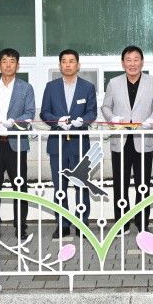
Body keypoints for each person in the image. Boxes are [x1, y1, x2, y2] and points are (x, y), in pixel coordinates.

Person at [101, 45, 153, 232]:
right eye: (128, 60)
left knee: (142, 185)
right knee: (120, 184)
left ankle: (142, 223)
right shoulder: (114, 83)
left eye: (136, 59)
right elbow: (105, 107)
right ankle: (121, 224)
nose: (132, 64)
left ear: (142, 62)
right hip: (120, 141)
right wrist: (112, 118)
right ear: (123, 63)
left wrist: (151, 120)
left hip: (143, 140)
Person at [0, 48, 36, 237]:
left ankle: (20, 226)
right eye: (4, 61)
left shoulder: (26, 88)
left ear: (18, 65)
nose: (8, 65)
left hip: (15, 143)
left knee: (20, 185)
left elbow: (30, 113)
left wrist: (14, 122)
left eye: (12, 61)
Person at [40, 49, 97, 239]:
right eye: (64, 61)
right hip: (57, 144)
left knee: (81, 184)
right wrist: (57, 121)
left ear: (78, 65)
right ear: (60, 65)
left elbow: (92, 112)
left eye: (71, 61)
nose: (68, 64)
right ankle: (62, 224)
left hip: (79, 144)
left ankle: (82, 223)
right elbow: (44, 112)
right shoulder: (51, 87)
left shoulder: (87, 87)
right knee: (59, 187)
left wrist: (83, 121)